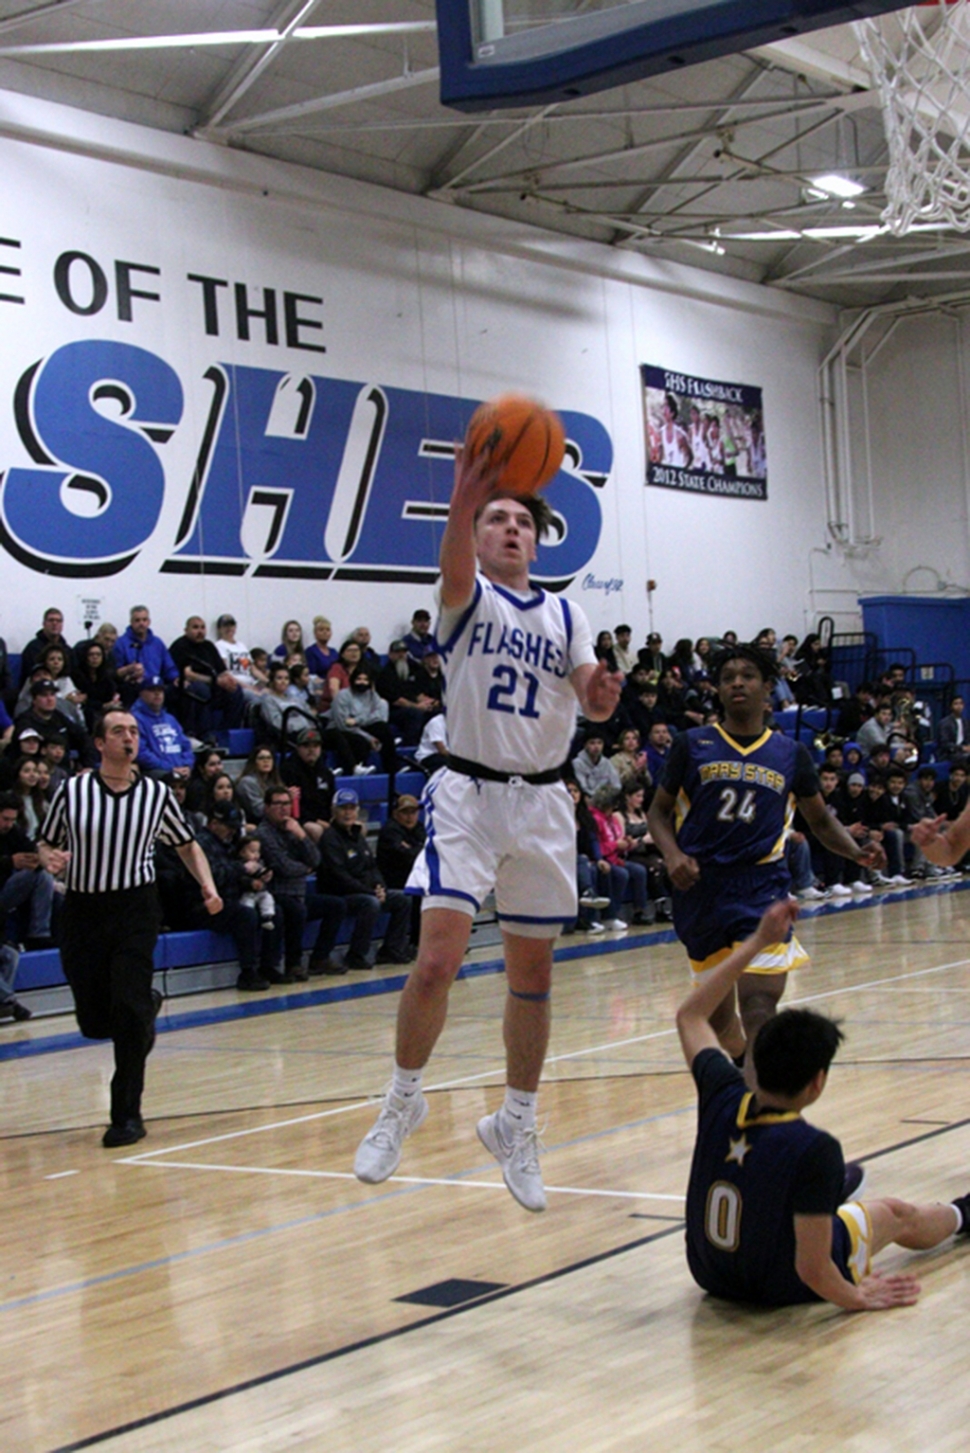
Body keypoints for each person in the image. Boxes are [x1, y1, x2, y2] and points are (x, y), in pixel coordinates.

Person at [354, 450, 622, 1212]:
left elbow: (594, 705)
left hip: (540, 804)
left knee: (532, 977)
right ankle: (403, 1098)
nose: (510, 528)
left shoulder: (569, 614)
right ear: (477, 538)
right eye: (495, 520)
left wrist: (602, 693)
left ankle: (517, 1122)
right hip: (468, 791)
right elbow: (454, 563)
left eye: (521, 521)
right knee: (437, 960)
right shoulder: (466, 601)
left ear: (538, 541)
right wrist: (463, 499)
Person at [677, 897, 970, 1309]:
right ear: (818, 1083)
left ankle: (817, 1199)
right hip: (779, 1285)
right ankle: (964, 1214)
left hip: (709, 1271)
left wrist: (758, 941)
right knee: (894, 1212)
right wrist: (857, 1298)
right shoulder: (815, 1147)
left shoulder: (720, 1093)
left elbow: (690, 1016)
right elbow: (812, 1270)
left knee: (800, 1191)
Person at [648, 643, 884, 1068]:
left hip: (761, 886)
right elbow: (658, 813)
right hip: (700, 888)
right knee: (720, 1021)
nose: (737, 682)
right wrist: (672, 855)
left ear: (767, 687)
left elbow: (821, 821)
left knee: (758, 1007)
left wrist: (856, 850)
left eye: (748, 675)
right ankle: (744, 1064)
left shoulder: (790, 754)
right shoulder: (691, 744)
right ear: (718, 690)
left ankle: (762, 1101)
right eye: (727, 677)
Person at [36, 707, 222, 1146]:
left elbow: (187, 845)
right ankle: (145, 1011)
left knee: (129, 1011)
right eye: (118, 731)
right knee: (95, 1021)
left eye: (134, 731)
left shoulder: (156, 795)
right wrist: (50, 859)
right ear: (100, 743)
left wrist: (209, 887)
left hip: (136, 909)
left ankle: (126, 1115)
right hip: (82, 910)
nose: (129, 738)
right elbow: (45, 843)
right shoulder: (73, 791)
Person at [318, 787, 413, 968]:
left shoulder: (357, 836)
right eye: (343, 808)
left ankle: (391, 949)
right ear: (333, 811)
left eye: (351, 808)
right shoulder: (329, 838)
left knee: (403, 899)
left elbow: (372, 866)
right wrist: (370, 891)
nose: (348, 813)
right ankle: (356, 954)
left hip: (365, 890)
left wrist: (380, 887)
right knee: (370, 903)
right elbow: (339, 876)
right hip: (340, 893)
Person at [257, 787, 346, 978]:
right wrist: (305, 869)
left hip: (299, 893)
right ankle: (293, 964)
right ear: (267, 807)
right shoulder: (263, 833)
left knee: (336, 905)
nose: (283, 808)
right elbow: (282, 866)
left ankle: (320, 958)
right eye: (278, 804)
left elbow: (316, 860)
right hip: (276, 894)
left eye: (287, 803)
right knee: (296, 910)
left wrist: (302, 836)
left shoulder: (293, 829)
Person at [168, 615, 246, 734]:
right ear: (186, 630)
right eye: (195, 628)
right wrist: (215, 681)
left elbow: (222, 671)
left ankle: (228, 733)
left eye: (202, 628)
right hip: (190, 686)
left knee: (235, 691)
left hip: (213, 684)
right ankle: (204, 735)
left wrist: (230, 681)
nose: (200, 631)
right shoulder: (180, 646)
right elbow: (188, 674)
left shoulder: (208, 646)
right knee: (202, 690)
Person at [0, 788, 55, 955]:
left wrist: (36, 860)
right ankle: (38, 934)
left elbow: (31, 850)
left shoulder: (13, 832)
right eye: (4, 819)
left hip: (7, 887)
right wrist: (10, 862)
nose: (8, 824)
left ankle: (40, 935)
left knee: (44, 877)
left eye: (12, 820)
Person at [112, 605, 179, 704]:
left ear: (149, 622)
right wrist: (129, 670)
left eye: (144, 620)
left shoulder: (157, 643)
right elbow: (116, 672)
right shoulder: (121, 643)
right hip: (134, 688)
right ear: (131, 622)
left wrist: (176, 678)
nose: (141, 623)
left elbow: (168, 667)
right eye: (137, 620)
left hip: (157, 687)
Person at [131, 676, 195, 778]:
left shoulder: (170, 719)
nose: (157, 694)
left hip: (180, 771)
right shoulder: (135, 719)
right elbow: (141, 752)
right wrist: (169, 768)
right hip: (156, 774)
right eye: (152, 690)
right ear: (141, 693)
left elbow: (185, 745)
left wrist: (187, 765)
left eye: (160, 690)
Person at [280, 727, 336, 843]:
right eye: (306, 746)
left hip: (326, 818)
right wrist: (316, 820)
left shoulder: (326, 773)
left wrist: (335, 818)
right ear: (298, 748)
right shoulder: (288, 770)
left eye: (315, 746)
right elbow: (296, 805)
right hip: (302, 819)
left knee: (357, 827)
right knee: (316, 829)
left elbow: (333, 799)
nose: (311, 750)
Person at [18, 606, 74, 687]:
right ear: (44, 624)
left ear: (62, 625)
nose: (55, 623)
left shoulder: (68, 650)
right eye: (51, 620)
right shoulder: (33, 648)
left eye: (58, 621)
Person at [234, 744, 284, 825]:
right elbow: (258, 812)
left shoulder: (274, 781)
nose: (266, 761)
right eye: (261, 758)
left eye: (269, 758)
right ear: (254, 762)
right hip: (255, 824)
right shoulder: (247, 782)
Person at [236, 835, 276, 930]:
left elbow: (263, 873)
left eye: (258, 851)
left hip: (260, 891)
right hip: (247, 893)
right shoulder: (240, 865)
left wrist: (267, 875)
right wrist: (250, 882)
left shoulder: (260, 863)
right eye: (252, 852)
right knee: (247, 903)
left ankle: (267, 917)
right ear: (242, 852)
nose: (256, 855)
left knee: (268, 898)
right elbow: (240, 879)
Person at [937, 695, 967, 761]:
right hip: (949, 754)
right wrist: (961, 748)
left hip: (963, 752)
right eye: (956, 704)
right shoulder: (945, 723)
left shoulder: (965, 722)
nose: (959, 706)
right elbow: (944, 743)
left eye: (961, 703)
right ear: (951, 706)